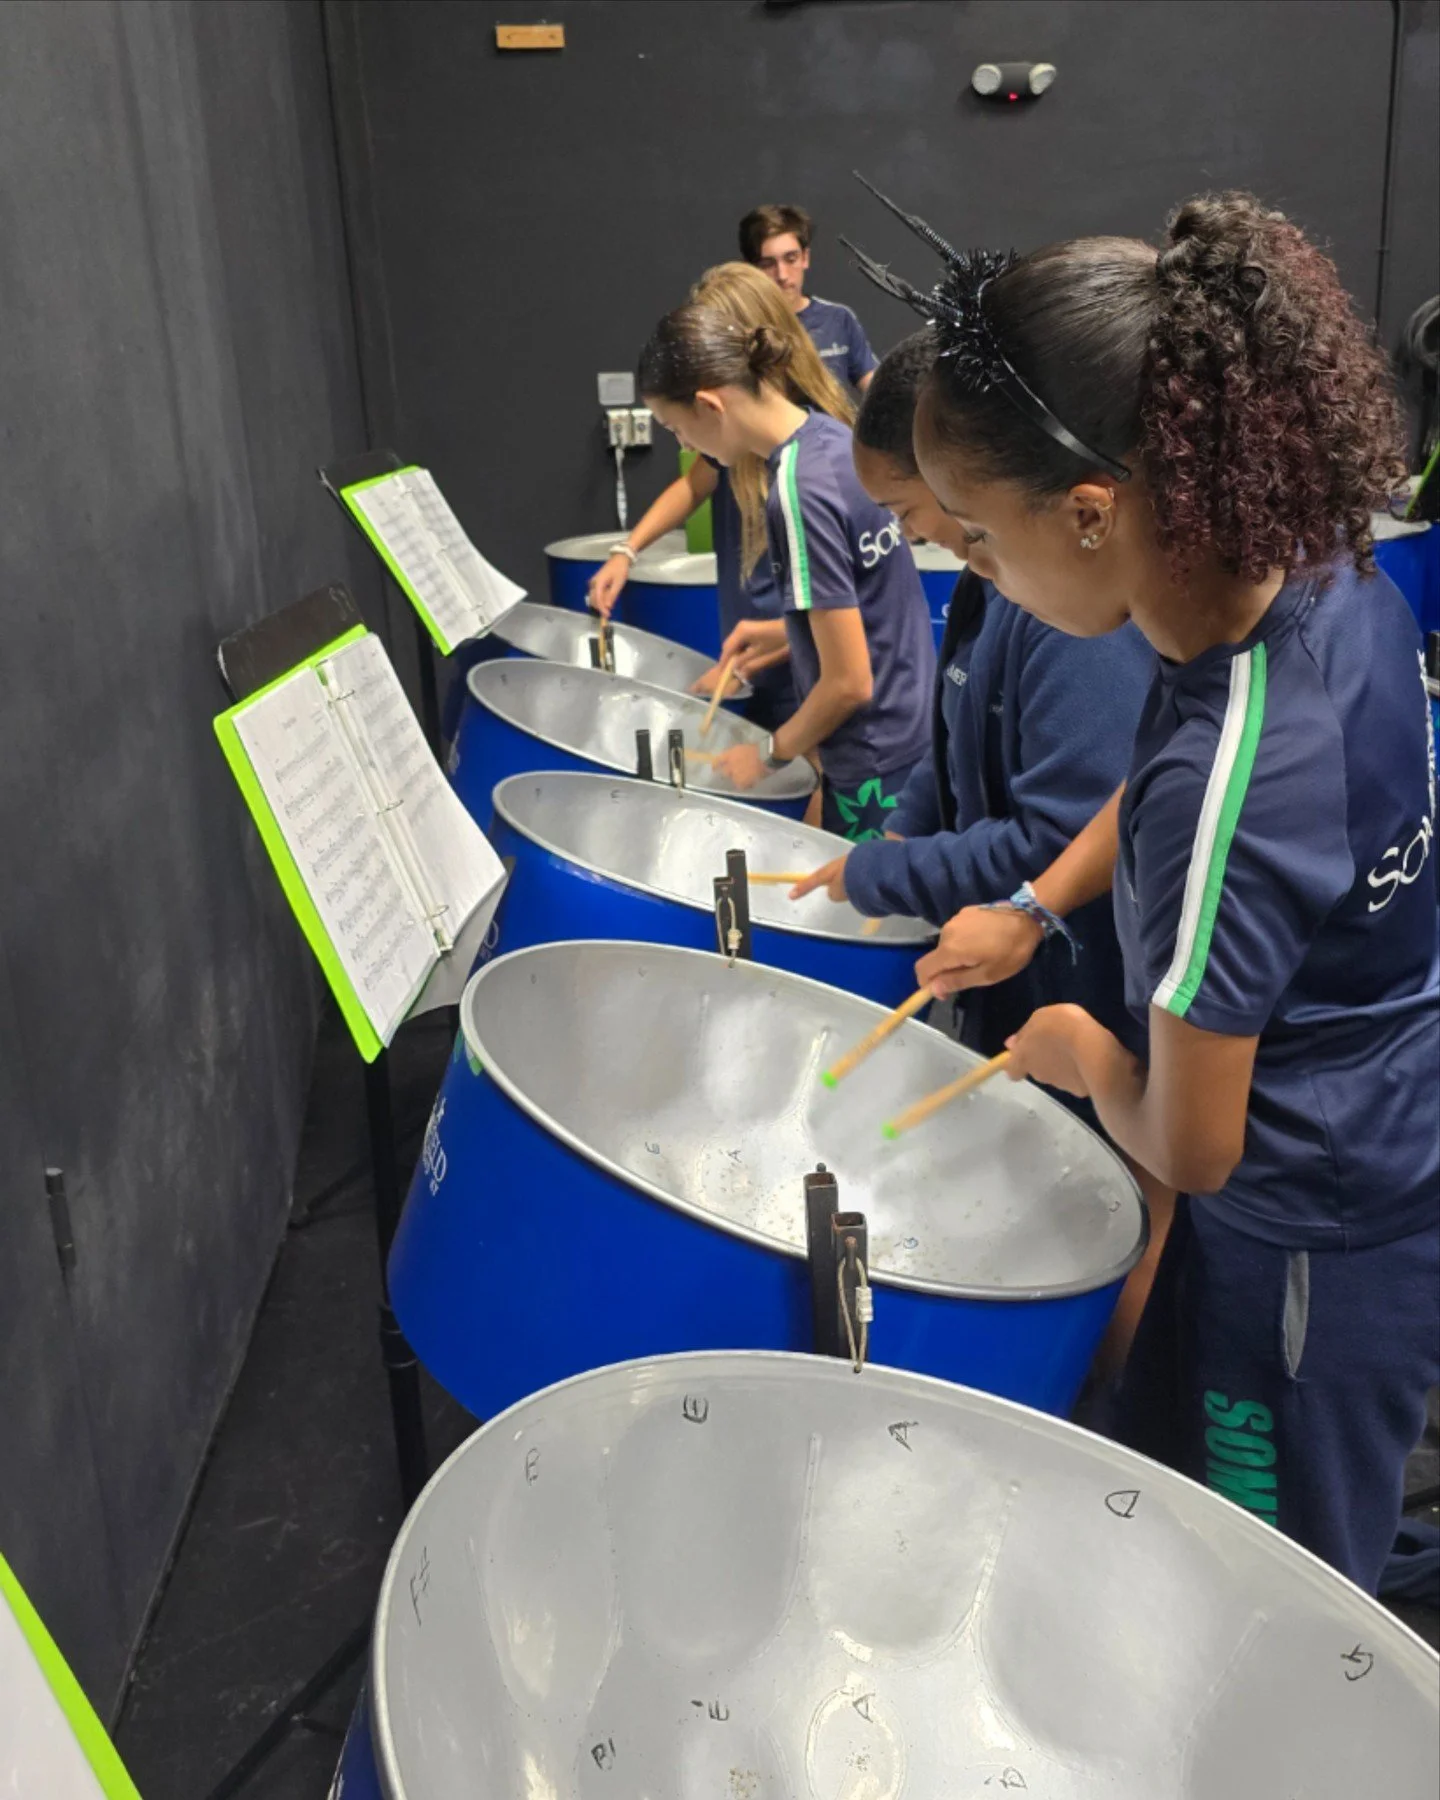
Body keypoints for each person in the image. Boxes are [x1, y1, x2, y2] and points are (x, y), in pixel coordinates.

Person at [856, 187, 1437, 1591]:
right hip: (1370, 1112)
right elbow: (1176, 769)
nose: (968, 570)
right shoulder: (1302, 567)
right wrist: (1045, 906)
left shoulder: (1230, 786)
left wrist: (1081, 1051)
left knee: (1274, 1568)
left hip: (1305, 1206)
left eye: (980, 542)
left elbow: (1194, 1147)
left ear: (1097, 509)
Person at [791, 330, 1171, 1368]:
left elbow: (1064, 826)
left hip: (1087, 978)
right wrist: (902, 831)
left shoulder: (1062, 613)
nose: (917, 538)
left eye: (917, 515)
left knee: (1105, 1234)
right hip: (1027, 969)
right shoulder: (987, 580)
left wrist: (893, 874)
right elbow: (955, 754)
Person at [638, 300, 935, 840]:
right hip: (912, 728)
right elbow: (869, 605)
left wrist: (769, 755)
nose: (683, 445)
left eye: (675, 428)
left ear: (708, 404)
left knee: (869, 918)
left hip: (872, 758)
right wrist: (784, 633)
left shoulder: (796, 493)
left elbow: (849, 683)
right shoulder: (834, 438)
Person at [587, 263, 854, 734]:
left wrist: (775, 755)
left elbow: (852, 653)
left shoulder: (804, 477)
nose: (686, 445)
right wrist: (627, 550)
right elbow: (693, 484)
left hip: (809, 683)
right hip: (768, 647)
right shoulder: (757, 446)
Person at [740, 202, 877, 392]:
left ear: (805, 258)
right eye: (767, 263)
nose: (782, 275)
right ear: (750, 269)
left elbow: (878, 392)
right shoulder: (741, 330)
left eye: (791, 259)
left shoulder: (839, 319)